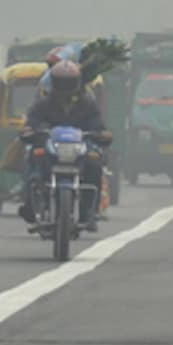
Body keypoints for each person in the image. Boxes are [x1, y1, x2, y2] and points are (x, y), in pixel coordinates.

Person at [20, 60, 112, 232]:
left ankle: (89, 213)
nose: (65, 87)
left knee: (94, 166)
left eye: (69, 82)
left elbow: (97, 124)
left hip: (78, 151)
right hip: (50, 149)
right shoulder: (43, 104)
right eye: (61, 82)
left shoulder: (88, 104)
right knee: (32, 160)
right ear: (54, 82)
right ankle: (30, 205)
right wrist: (30, 131)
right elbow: (32, 122)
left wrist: (101, 133)